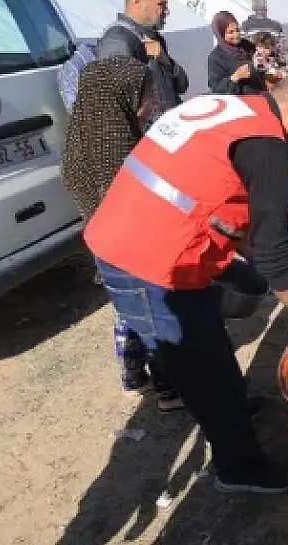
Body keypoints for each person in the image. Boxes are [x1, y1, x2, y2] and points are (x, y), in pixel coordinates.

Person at [83, 73, 288, 494]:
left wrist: (258, 262)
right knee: (202, 371)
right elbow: (272, 253)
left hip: (151, 235)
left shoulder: (237, 109)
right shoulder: (268, 146)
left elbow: (217, 201)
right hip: (145, 262)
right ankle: (239, 470)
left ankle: (233, 408)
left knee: (211, 345)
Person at [59, 56, 180, 410]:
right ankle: (168, 388)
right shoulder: (118, 152)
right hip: (132, 245)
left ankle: (133, 376)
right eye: (147, 93)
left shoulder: (85, 137)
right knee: (152, 312)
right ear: (121, 95)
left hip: (103, 243)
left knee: (126, 311)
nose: (153, 101)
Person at [97, 0, 188, 125]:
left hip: (170, 129)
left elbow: (182, 85)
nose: (166, 12)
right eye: (161, 5)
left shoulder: (152, 37)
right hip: (150, 138)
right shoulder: (117, 41)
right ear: (136, 0)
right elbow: (117, 107)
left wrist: (164, 59)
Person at [207, 11, 267, 95]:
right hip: (238, 104)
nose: (236, 35)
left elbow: (260, 69)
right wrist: (236, 77)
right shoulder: (216, 58)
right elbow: (216, 89)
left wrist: (264, 58)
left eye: (237, 30)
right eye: (231, 32)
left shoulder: (247, 46)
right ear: (220, 33)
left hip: (259, 97)